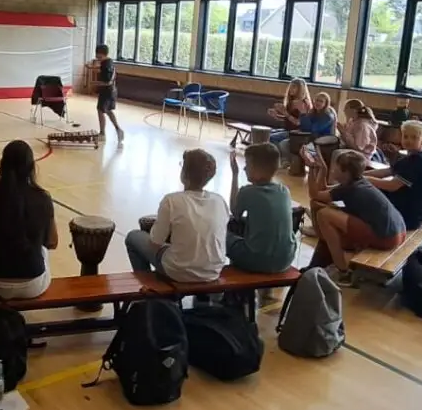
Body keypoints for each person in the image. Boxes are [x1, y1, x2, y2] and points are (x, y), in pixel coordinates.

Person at [0, 140, 57, 299]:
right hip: (34, 285)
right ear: (31, 167)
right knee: (42, 250)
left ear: (2, 165)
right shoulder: (43, 199)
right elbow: (52, 243)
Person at [303, 149, 406, 286]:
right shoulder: (357, 181)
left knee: (324, 215)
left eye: (336, 168)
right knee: (326, 209)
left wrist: (311, 168)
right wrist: (323, 168)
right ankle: (330, 259)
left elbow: (315, 194)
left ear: (345, 173)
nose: (333, 171)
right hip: (398, 231)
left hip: (388, 237)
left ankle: (343, 271)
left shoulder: (349, 189)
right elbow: (324, 191)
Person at [124, 149, 229, 282]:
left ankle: (148, 289)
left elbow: (155, 243)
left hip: (178, 271)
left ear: (184, 174)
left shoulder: (171, 200)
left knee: (133, 237)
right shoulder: (219, 200)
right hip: (213, 271)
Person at [225, 144, 296, 274]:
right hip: (286, 259)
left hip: (257, 260)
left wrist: (235, 175)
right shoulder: (284, 190)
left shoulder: (249, 192)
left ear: (258, 170)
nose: (245, 168)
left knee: (222, 234)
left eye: (247, 164)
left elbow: (235, 212)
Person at [364, 120, 422, 230]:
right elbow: (388, 171)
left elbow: (392, 186)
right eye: (405, 136)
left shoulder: (418, 160)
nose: (408, 140)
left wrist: (366, 179)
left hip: (409, 216)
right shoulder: (412, 156)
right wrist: (360, 173)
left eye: (414, 137)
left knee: (367, 194)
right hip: (408, 207)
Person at [278, 92, 336, 163]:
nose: (318, 103)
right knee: (283, 144)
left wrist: (303, 113)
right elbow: (303, 126)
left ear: (325, 104)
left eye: (321, 101)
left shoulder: (328, 116)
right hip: (308, 138)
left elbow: (312, 129)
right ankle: (290, 163)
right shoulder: (312, 113)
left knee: (301, 148)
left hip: (321, 142)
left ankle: (295, 164)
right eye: (316, 100)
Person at [92, 44, 125, 143]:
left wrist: (94, 83)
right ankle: (118, 130)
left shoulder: (106, 65)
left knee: (100, 110)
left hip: (107, 91)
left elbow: (107, 81)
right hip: (112, 90)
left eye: (97, 54)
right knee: (108, 110)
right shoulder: (109, 62)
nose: (96, 57)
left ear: (100, 54)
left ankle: (102, 133)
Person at [269, 78, 313, 142]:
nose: (290, 89)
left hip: (298, 133)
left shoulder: (303, 103)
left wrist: (285, 113)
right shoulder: (292, 101)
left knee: (271, 138)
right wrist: (276, 116)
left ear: (300, 90)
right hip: (288, 130)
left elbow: (299, 123)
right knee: (266, 133)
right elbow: (288, 118)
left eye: (294, 87)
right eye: (290, 86)